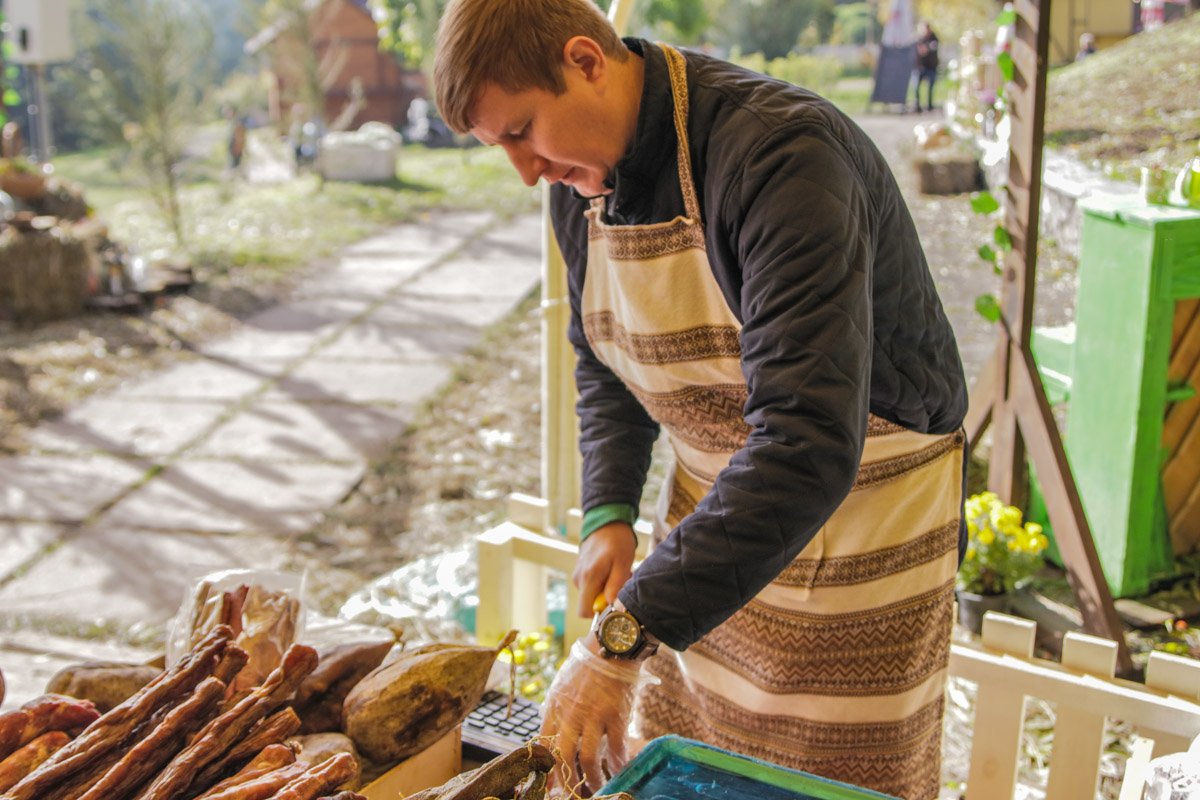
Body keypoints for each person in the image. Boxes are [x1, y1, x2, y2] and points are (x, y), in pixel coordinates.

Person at [434, 1, 968, 797]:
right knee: (687, 766)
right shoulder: (578, 183)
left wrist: (622, 638)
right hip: (711, 533)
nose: (525, 171)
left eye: (521, 131)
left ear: (586, 61)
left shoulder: (782, 156)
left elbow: (807, 443)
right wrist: (608, 511)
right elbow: (603, 359)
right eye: (499, 148)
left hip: (861, 530)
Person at [913, 21, 939, 112]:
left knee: (930, 87)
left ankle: (930, 106)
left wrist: (926, 48)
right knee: (916, 87)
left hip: (931, 66)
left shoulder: (934, 38)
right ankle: (917, 106)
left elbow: (932, 47)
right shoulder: (918, 39)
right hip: (919, 67)